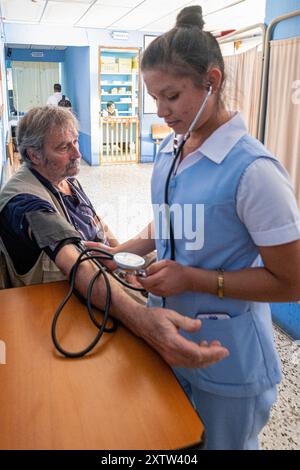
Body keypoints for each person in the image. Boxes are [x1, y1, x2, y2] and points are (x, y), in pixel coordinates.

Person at [86, 5, 300, 450]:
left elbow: (292, 282)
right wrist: (118, 252)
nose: (161, 112)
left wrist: (193, 278)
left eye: (172, 96)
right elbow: (166, 222)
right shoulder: (171, 151)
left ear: (212, 82)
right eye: (154, 100)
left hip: (227, 355)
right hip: (164, 334)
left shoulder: (253, 172)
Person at [0, 105, 229, 372]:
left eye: (75, 141)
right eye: (64, 148)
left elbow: (99, 226)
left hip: (101, 274)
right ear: (34, 155)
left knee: (165, 264)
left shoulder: (67, 181)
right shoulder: (24, 202)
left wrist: (123, 260)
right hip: (66, 298)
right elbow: (74, 262)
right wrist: (142, 320)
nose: (77, 153)